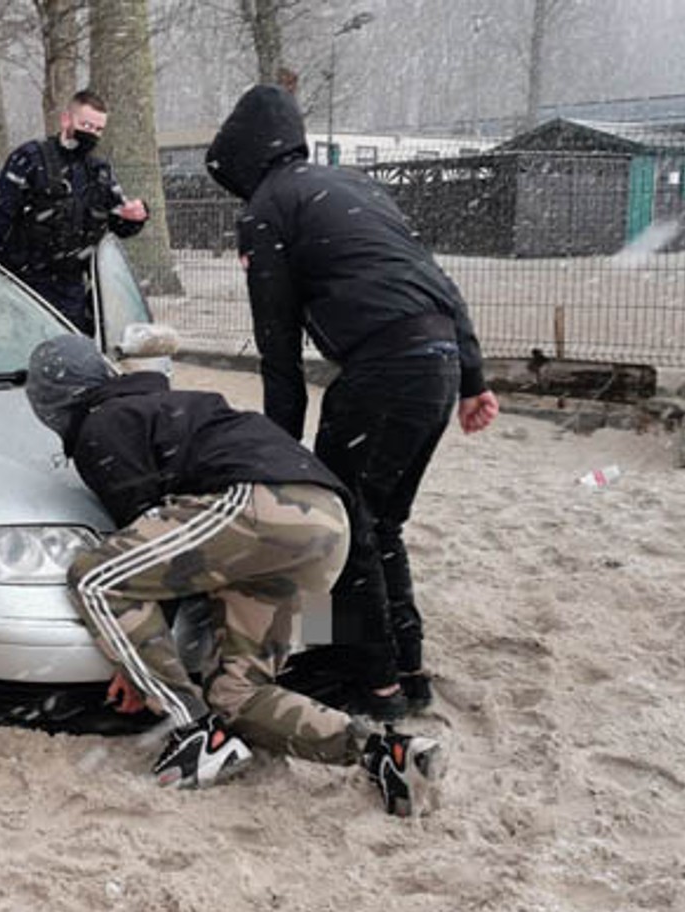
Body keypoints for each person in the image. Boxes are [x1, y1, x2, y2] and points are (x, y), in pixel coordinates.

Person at [25, 335, 444, 815]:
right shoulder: (166, 401)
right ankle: (386, 755)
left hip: (261, 504)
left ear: (50, 403)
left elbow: (146, 555)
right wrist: (381, 673)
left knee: (95, 578)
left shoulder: (104, 424)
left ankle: (194, 734)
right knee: (236, 693)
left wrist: (136, 668)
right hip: (328, 525)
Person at [205, 85, 500, 718]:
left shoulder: (267, 210)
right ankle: (408, 667)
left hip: (385, 369)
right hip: (437, 363)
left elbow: (278, 350)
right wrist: (473, 379)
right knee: (378, 520)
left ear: (241, 159)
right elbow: (440, 285)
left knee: (338, 523)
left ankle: (371, 682)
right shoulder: (355, 186)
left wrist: (277, 454)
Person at [0, 90, 149, 335]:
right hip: (23, 283)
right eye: (86, 124)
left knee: (70, 356)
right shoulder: (30, 158)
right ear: (66, 120)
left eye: (98, 129)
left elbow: (120, 225)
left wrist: (136, 216)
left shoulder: (99, 171)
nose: (92, 133)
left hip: (71, 290)